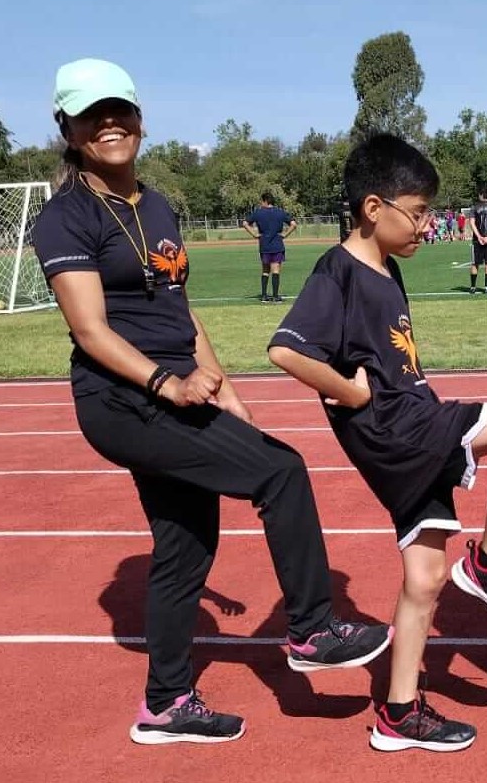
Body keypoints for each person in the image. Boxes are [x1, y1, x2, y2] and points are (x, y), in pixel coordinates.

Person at [30, 58, 391, 746]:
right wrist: (166, 383)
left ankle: (165, 706)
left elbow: (180, 313)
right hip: (123, 398)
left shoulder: (156, 204)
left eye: (119, 111)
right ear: (68, 130)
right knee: (280, 471)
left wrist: (224, 387)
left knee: (184, 546)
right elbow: (89, 330)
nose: (109, 124)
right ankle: (313, 627)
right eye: (90, 115)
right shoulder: (65, 218)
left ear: (139, 119)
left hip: (178, 389)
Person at [269, 134, 487, 753]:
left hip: (409, 422)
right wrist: (348, 393)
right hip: (398, 430)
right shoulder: (338, 270)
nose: (429, 223)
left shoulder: (386, 268)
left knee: (424, 578)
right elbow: (285, 349)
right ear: (375, 208)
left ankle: (400, 712)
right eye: (419, 211)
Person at [243, 193, 296, 303]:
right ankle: (275, 296)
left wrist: (254, 234)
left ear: (265, 201)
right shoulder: (280, 212)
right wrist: (285, 235)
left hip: (264, 245)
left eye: (261, 201)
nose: (261, 203)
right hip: (277, 244)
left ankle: (263, 296)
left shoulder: (258, 212)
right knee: (276, 270)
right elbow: (293, 224)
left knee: (265, 270)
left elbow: (245, 223)